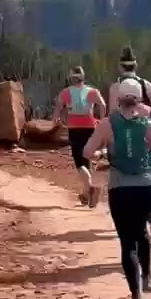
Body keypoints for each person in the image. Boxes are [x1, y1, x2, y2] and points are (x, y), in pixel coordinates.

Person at [83, 78, 151, 299]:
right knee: (143, 230)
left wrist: (103, 152)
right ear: (139, 99)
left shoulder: (106, 124)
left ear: (118, 98)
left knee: (128, 243)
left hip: (120, 188)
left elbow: (86, 152)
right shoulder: (149, 125)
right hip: (146, 185)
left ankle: (136, 298)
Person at [106, 46, 151, 254]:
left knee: (127, 183)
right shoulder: (146, 85)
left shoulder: (115, 88)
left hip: (124, 141)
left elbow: (111, 117)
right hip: (148, 137)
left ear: (119, 65)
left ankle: (136, 232)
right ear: (136, 65)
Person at [54, 66, 107, 207]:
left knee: (79, 162)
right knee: (86, 158)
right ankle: (85, 195)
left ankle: (90, 187)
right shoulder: (92, 91)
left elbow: (59, 106)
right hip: (90, 126)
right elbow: (102, 104)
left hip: (75, 127)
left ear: (71, 78)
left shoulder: (66, 92)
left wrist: (56, 118)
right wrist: (101, 120)